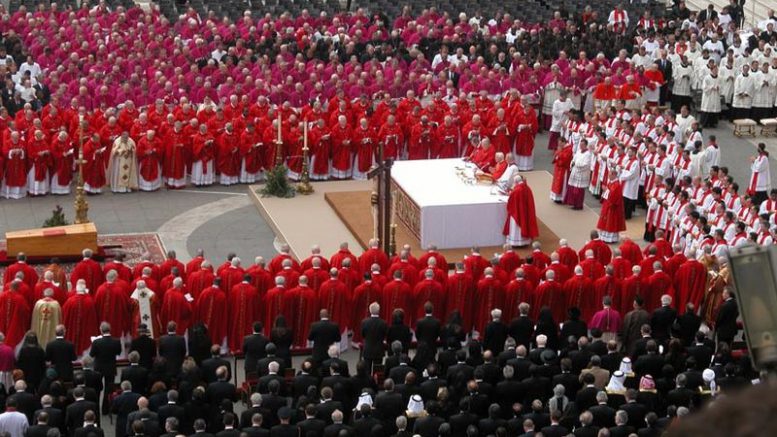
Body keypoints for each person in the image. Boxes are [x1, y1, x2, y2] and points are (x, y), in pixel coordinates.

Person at [503, 175, 539, 247]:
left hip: (516, 212)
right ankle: (524, 241)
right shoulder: (527, 188)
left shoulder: (517, 190)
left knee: (515, 227)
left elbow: (511, 202)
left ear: (516, 182)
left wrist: (509, 194)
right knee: (524, 224)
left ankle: (516, 243)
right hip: (525, 212)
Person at [565, 140, 593, 210]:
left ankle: (579, 205)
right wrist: (572, 163)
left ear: (586, 145)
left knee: (579, 191)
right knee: (573, 189)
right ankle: (574, 203)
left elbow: (586, 165)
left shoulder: (588, 154)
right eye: (580, 145)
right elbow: (573, 159)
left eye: (582, 145)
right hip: (575, 172)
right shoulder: (578, 152)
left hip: (581, 174)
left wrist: (576, 165)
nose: (581, 146)